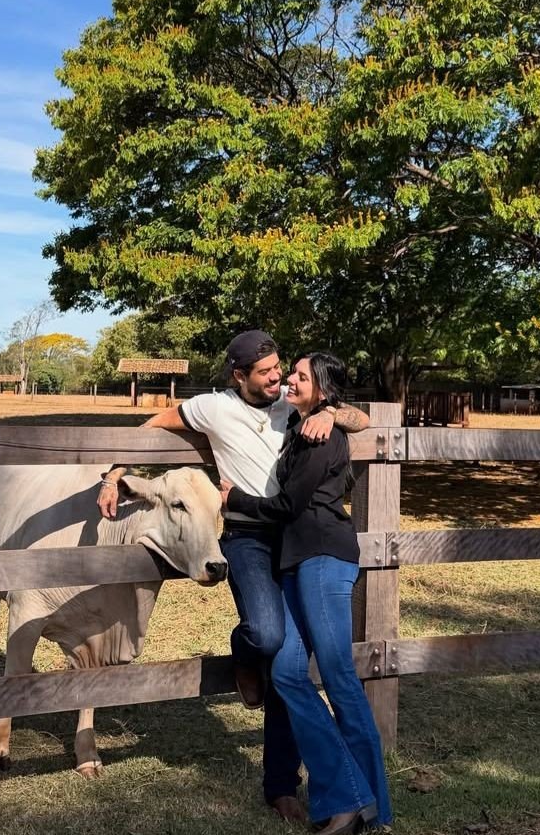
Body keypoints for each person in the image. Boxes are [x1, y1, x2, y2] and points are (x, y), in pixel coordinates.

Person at [96, 330, 370, 824]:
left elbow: (361, 417)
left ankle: (281, 785)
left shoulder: (293, 406)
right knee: (266, 636)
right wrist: (116, 472)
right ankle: (245, 651)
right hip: (245, 537)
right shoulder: (212, 408)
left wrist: (330, 412)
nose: (279, 380)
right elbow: (155, 423)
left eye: (282, 370)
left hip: (290, 538)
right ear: (238, 376)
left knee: (289, 662)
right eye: (266, 373)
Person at [220, 352, 392, 835]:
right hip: (295, 564)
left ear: (323, 390)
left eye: (300, 376)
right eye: (289, 373)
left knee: (338, 677)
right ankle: (349, 795)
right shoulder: (300, 427)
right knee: (289, 673)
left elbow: (289, 504)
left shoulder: (323, 434)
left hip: (322, 557)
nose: (289, 380)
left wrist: (233, 499)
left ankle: (368, 807)